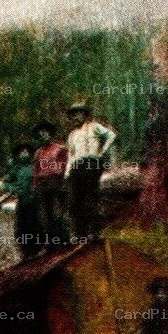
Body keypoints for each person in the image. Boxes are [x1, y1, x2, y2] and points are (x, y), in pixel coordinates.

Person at [64, 103, 117, 242]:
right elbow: (71, 154)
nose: (77, 117)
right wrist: (68, 171)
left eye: (79, 114)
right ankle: (79, 233)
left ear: (84, 115)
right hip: (77, 166)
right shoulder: (72, 134)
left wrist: (102, 152)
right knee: (76, 200)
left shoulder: (94, 127)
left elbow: (111, 135)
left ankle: (93, 231)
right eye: (74, 115)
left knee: (90, 196)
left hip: (91, 163)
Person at [31, 121, 69, 248]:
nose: (43, 136)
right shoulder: (38, 153)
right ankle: (52, 242)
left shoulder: (60, 149)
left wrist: (63, 180)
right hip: (43, 183)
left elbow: (66, 165)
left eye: (45, 133)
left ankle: (64, 238)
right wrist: (36, 185)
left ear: (50, 134)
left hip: (57, 181)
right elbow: (36, 171)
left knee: (59, 211)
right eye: (40, 134)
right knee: (46, 214)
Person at [5, 142, 41, 259]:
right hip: (22, 200)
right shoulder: (16, 169)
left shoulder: (35, 166)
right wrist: (14, 189)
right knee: (22, 225)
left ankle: (38, 248)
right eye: (21, 152)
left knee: (35, 223)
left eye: (26, 152)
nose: (24, 154)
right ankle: (25, 251)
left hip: (35, 199)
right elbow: (7, 182)